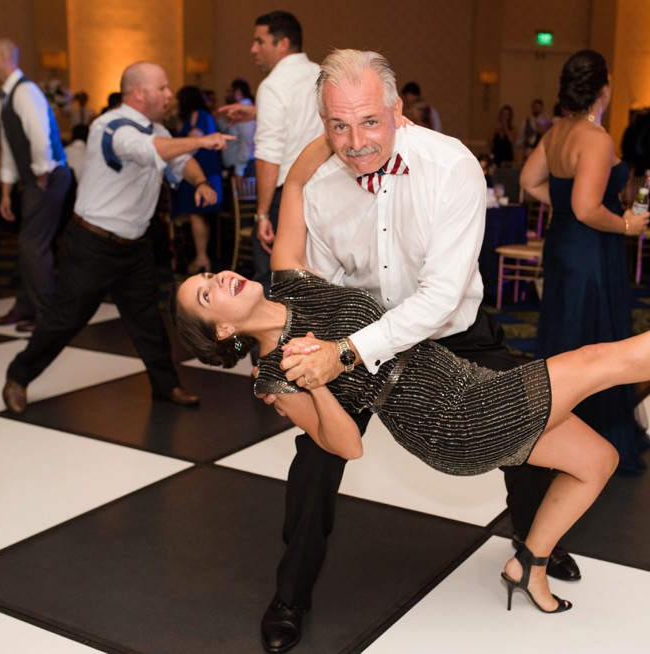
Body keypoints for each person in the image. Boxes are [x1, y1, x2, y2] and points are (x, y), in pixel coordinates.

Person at [172, 223, 650, 620]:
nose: (217, 277)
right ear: (223, 330)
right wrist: (323, 382)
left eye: (207, 275)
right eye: (207, 294)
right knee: (602, 362)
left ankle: (526, 564)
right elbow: (345, 447)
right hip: (451, 421)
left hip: (467, 381)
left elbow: (301, 187)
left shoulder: (295, 289)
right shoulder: (274, 378)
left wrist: (338, 125)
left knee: (598, 461)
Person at [242, 49, 576, 653]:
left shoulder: (450, 166)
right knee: (316, 459)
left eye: (369, 121)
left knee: (529, 420)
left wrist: (345, 352)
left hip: (451, 328)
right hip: (359, 331)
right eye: (338, 125)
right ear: (323, 123)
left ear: (398, 110)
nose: (355, 141)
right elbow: (318, 284)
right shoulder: (317, 187)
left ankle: (534, 544)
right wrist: (301, 358)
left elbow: (442, 297)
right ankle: (290, 594)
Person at [0, 61, 231, 415]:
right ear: (138, 92)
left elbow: (181, 162)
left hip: (135, 247)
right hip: (93, 244)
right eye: (162, 88)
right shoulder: (109, 126)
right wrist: (203, 139)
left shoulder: (157, 130)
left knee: (148, 321)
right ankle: (18, 376)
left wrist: (200, 182)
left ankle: (166, 386)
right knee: (66, 320)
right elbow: (147, 150)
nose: (169, 94)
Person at [521, 50, 650, 475]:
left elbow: (528, 181)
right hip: (590, 249)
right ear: (603, 90)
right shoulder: (595, 138)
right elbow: (586, 208)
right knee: (592, 343)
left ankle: (559, 431)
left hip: (562, 246)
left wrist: (559, 204)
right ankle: (594, 436)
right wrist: (628, 225)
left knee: (566, 338)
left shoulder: (556, 132)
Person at [219, 11, 323, 296]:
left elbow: (268, 155)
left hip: (285, 198)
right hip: (324, 193)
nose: (253, 49)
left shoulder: (273, 85)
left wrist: (262, 214)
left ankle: (268, 340)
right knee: (313, 275)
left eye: (259, 41)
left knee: (273, 278)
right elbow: (307, 116)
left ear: (283, 43)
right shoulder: (321, 75)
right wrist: (257, 112)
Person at [0, 38, 73, 333]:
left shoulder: (27, 92)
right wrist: (7, 190)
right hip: (35, 177)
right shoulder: (5, 98)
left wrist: (41, 174)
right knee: (28, 243)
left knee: (33, 244)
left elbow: (40, 134)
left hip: (49, 175)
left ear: (2, 57)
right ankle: (25, 306)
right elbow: (10, 148)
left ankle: (47, 315)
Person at [172, 85, 223, 274]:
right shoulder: (201, 114)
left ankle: (201, 257)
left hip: (202, 171)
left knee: (196, 214)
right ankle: (203, 257)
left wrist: (175, 155)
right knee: (201, 215)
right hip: (209, 170)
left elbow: (193, 143)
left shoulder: (198, 115)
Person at [219, 78, 255, 179]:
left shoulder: (245, 109)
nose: (227, 95)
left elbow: (248, 140)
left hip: (243, 168)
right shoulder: (241, 109)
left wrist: (240, 168)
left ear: (238, 92)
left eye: (229, 91)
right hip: (240, 166)